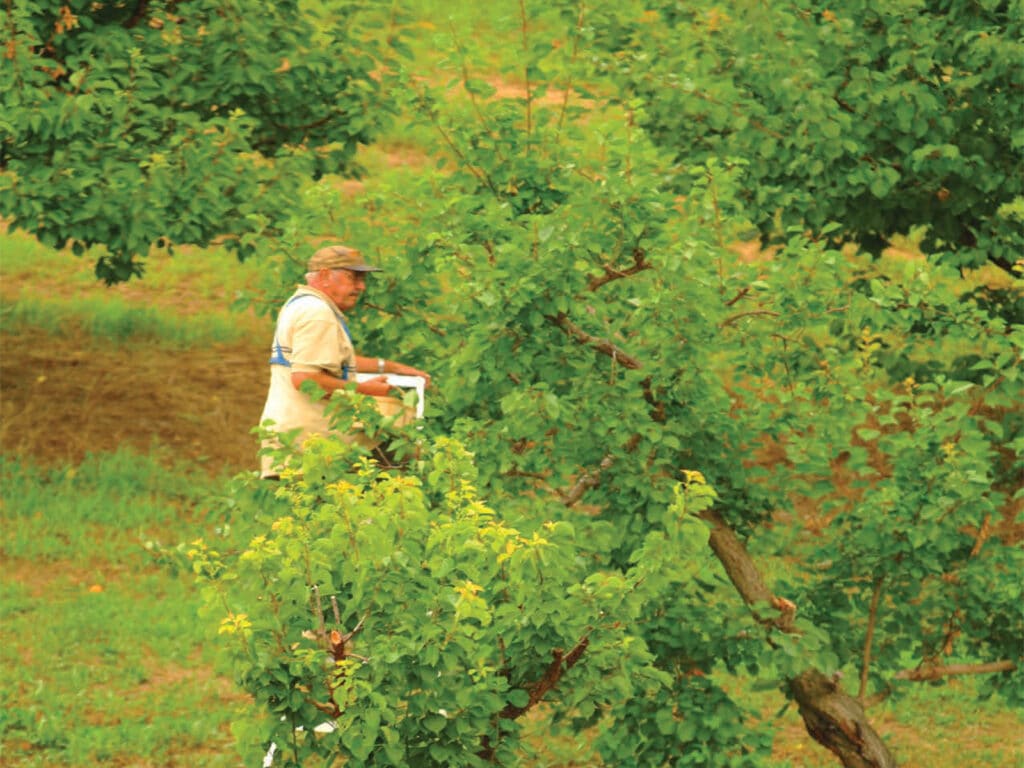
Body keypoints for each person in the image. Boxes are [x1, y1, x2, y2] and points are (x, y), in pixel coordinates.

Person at [258, 245, 430, 477]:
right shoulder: (318, 314)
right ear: (325, 275)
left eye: (362, 279)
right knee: (404, 468)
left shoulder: (300, 305)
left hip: (292, 438)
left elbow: (324, 358)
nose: (361, 286)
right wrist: (364, 390)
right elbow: (305, 379)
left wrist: (392, 368)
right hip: (318, 440)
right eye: (353, 277)